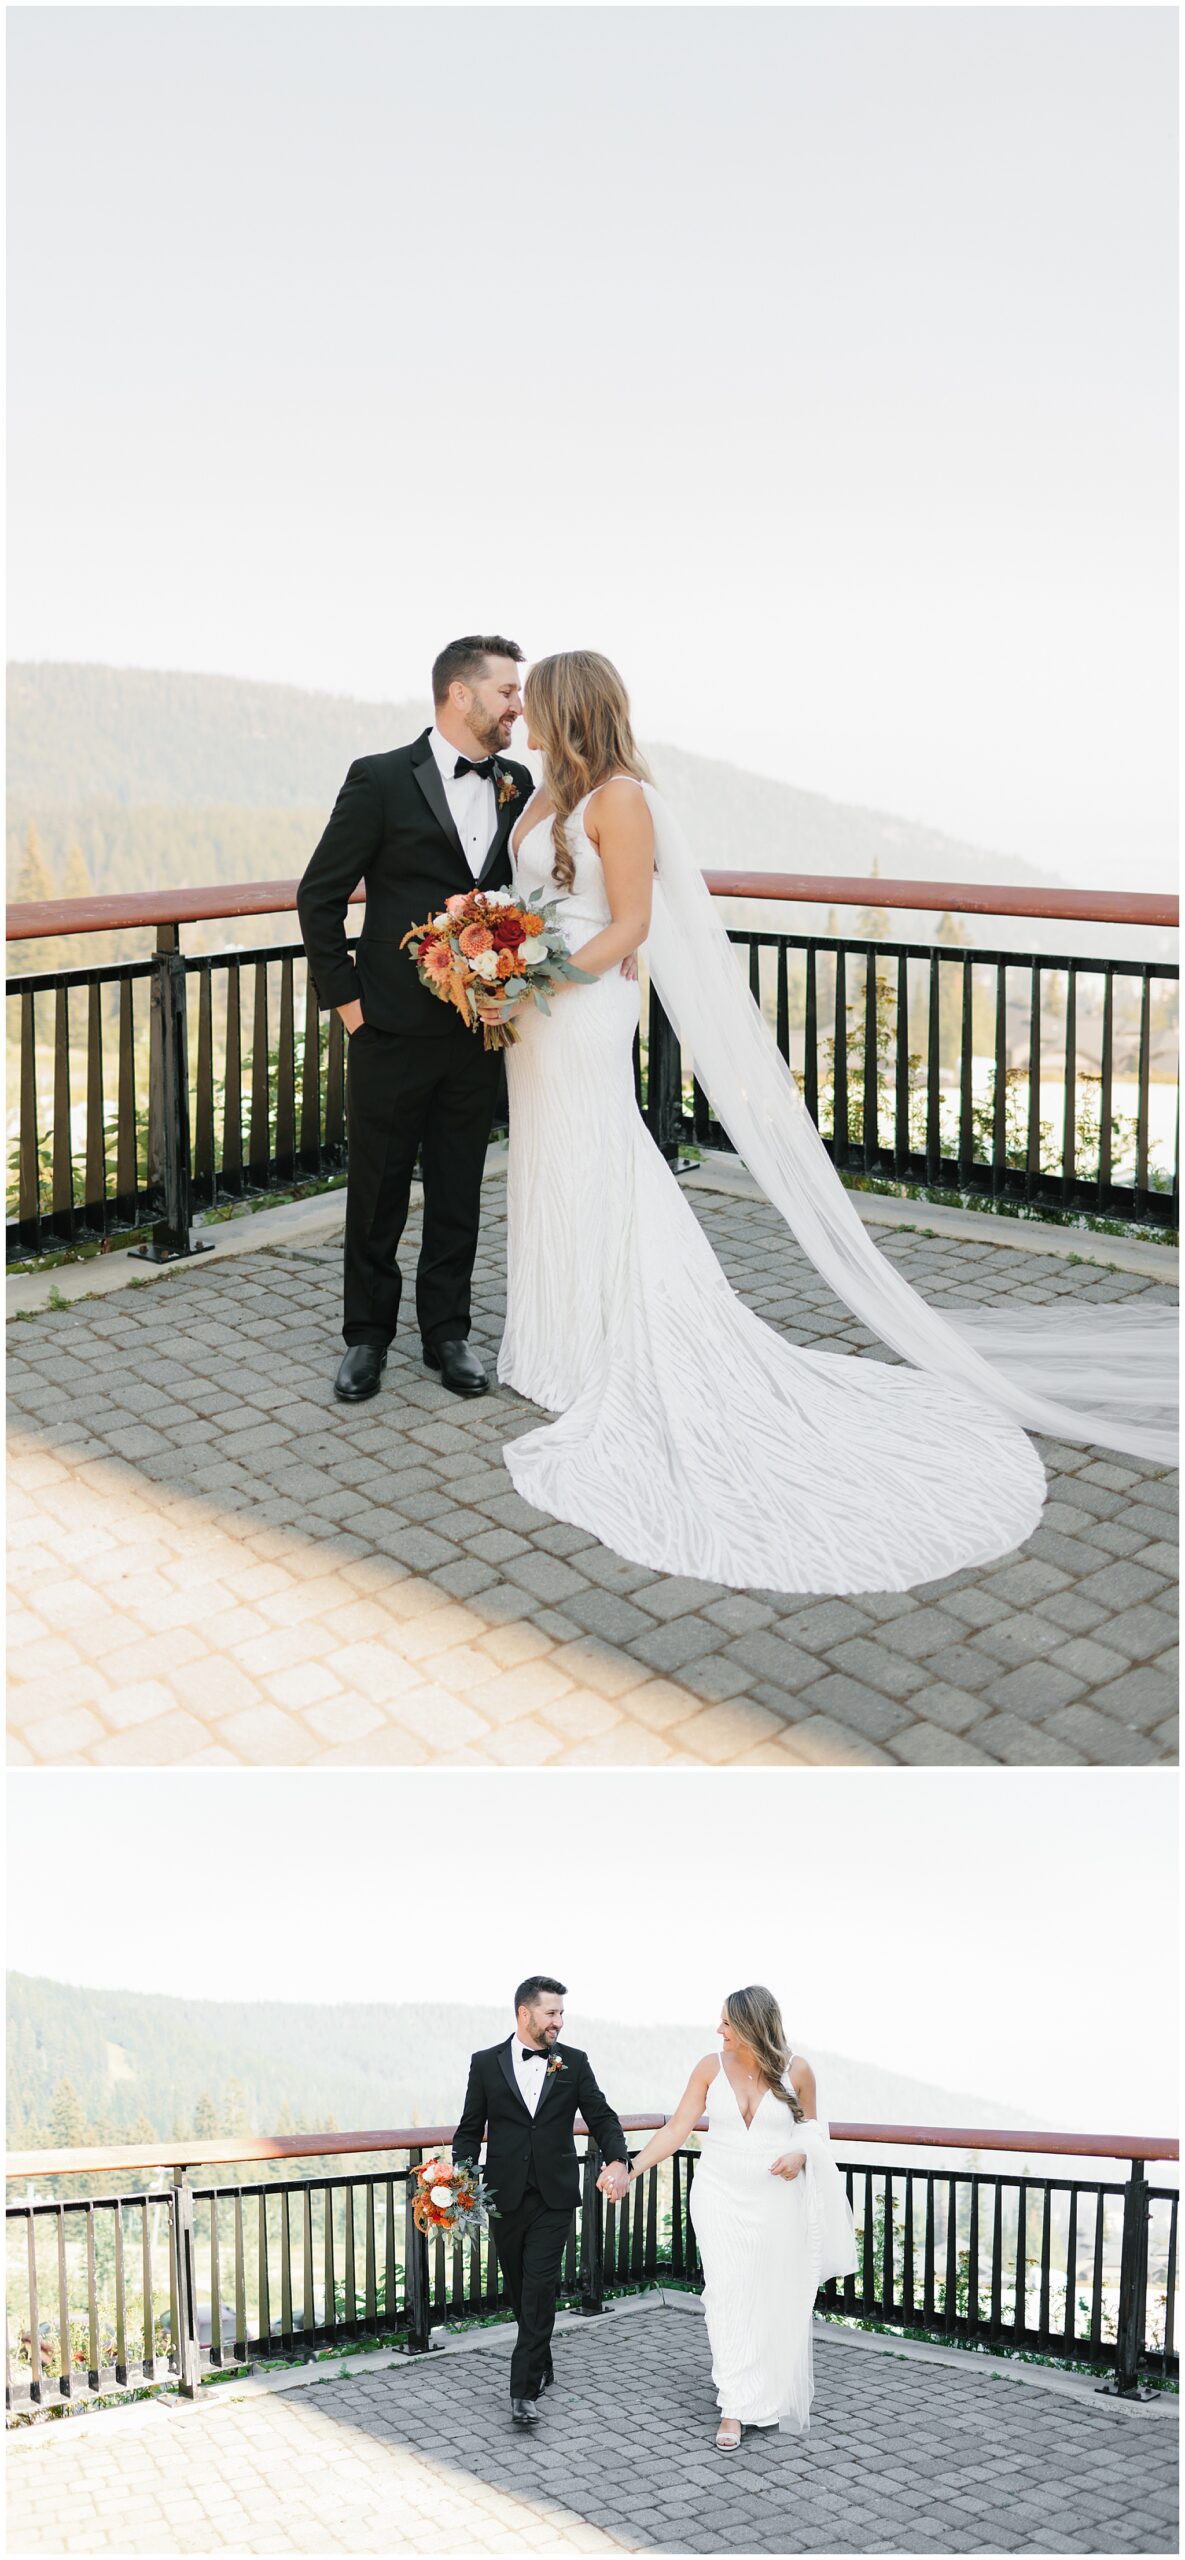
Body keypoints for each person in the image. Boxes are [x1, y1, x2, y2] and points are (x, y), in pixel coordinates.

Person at [495, 649, 1175, 1592]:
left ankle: (615, 1338)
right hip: (531, 1015)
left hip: (578, 1007)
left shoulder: (618, 797)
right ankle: (557, 1337)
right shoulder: (537, 796)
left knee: (594, 1157)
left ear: (565, 709)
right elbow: (526, 903)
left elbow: (631, 926)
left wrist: (537, 976)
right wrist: (491, 966)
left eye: (531, 705)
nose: (519, 717)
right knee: (551, 1166)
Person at [297, 636, 534, 1405]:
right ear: (459, 696)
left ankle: (448, 1335)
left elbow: (526, 895)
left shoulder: (517, 783)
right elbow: (318, 895)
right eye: (506, 691)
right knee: (377, 1190)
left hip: (476, 1031)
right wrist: (350, 1005)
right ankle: (366, 1339)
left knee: (460, 1187)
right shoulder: (377, 779)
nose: (517, 706)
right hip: (389, 1029)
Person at [613, 1987, 856, 2449]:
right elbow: (677, 2128)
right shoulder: (709, 2067)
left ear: (751, 2025)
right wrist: (631, 2169)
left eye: (726, 2023)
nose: (718, 2030)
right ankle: (733, 2406)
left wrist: (800, 2156)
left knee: (767, 2295)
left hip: (774, 2198)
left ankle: (763, 2396)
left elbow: (814, 2133)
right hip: (718, 2195)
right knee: (725, 2295)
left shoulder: (798, 2070)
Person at [451, 1975, 629, 2428]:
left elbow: (602, 2117)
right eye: (552, 2014)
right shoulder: (486, 2063)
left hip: (555, 2197)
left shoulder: (574, 2062)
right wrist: (459, 2182)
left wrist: (619, 2160)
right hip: (503, 2198)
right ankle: (541, 2358)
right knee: (518, 2288)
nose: (559, 2023)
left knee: (539, 2289)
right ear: (524, 2013)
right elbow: (470, 2129)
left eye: (562, 2014)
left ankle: (523, 2391)